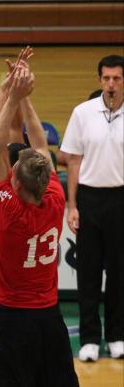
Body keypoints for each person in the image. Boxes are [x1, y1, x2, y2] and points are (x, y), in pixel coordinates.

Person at [0, 51, 79, 386]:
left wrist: (13, 93)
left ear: (16, 183)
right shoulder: (54, 198)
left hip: (12, 322)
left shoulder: (9, 210)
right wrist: (25, 99)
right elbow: (40, 143)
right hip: (49, 321)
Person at [60, 54, 124, 362]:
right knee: (87, 273)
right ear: (99, 80)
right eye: (106, 78)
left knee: (119, 273)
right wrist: (72, 205)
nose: (111, 84)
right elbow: (73, 160)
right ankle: (88, 338)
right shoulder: (82, 112)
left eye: (117, 78)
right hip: (88, 198)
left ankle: (116, 335)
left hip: (120, 199)